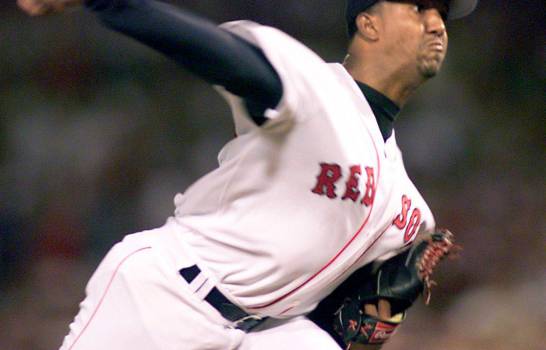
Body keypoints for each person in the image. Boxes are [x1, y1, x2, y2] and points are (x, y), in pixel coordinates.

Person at [17, 0, 477, 349]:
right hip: (167, 297)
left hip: (254, 335)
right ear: (368, 22)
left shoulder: (411, 212)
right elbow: (217, 54)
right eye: (419, 7)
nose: (436, 23)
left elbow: (338, 328)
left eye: (441, 14)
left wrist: (367, 327)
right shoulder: (312, 87)